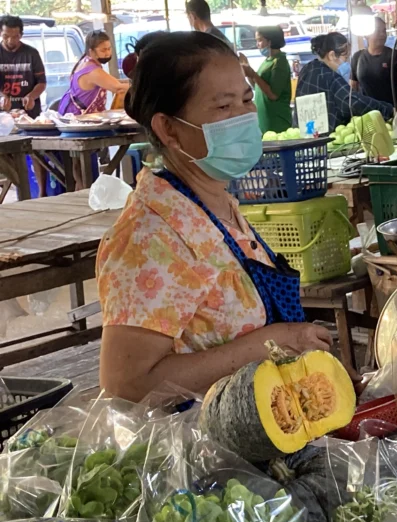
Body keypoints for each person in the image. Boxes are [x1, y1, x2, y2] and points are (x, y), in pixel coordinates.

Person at [97, 32, 333, 402]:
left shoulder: (215, 205)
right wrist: (276, 342)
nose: (242, 117)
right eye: (223, 108)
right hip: (202, 452)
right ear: (168, 129)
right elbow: (127, 385)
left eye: (244, 100)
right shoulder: (149, 239)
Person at [297, 33, 393, 132]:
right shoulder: (329, 76)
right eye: (345, 58)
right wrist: (388, 110)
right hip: (325, 139)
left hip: (305, 135)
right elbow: (352, 102)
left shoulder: (308, 69)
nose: (347, 63)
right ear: (332, 55)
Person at [57, 30, 129, 115]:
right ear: (91, 51)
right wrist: (144, 87)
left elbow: (112, 81)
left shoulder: (85, 62)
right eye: (103, 50)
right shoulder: (92, 70)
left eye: (109, 49)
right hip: (79, 118)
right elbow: (118, 88)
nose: (108, 53)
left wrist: (133, 82)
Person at [242, 26, 292, 133]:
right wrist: (248, 72)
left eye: (260, 40)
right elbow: (257, 86)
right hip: (264, 120)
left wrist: (253, 74)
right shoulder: (268, 61)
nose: (257, 45)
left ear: (270, 41)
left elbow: (273, 94)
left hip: (276, 121)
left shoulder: (279, 62)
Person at [0, 16, 45, 118]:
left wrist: (32, 96)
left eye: (15, 36)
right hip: (3, 115)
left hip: (29, 113)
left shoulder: (32, 53)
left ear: (21, 35)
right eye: (6, 36)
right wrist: (1, 97)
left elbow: (41, 82)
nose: (10, 41)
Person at [350, 17, 397, 107]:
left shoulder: (394, 56)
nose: (382, 35)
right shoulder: (357, 57)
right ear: (366, 34)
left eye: (384, 31)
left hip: (391, 111)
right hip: (367, 112)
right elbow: (353, 87)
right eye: (377, 31)